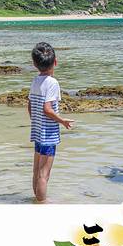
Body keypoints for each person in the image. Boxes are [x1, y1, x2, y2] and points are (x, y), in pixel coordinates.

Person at [28, 42, 74, 203]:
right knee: (44, 175)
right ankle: (42, 203)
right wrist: (62, 121)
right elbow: (47, 109)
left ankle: (37, 200)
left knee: (36, 171)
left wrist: (36, 121)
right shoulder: (52, 83)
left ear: (34, 64)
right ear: (55, 62)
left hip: (38, 132)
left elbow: (30, 105)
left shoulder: (35, 81)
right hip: (48, 135)